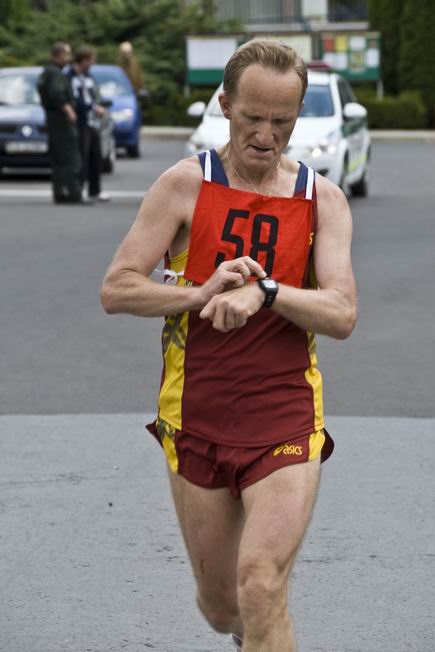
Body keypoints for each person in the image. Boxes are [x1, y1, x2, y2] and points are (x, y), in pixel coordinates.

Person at [101, 38, 357, 652]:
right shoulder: (184, 186)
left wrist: (266, 292)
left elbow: (342, 313)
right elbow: (117, 288)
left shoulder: (321, 199)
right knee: (222, 606)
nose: (266, 136)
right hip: (197, 412)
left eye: (282, 121)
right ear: (225, 106)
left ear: (297, 115)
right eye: (253, 118)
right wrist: (200, 292)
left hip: (285, 412)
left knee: (262, 586)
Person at [38, 42, 82, 204]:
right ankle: (73, 194)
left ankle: (60, 194)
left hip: (52, 119)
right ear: (59, 55)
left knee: (58, 159)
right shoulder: (55, 73)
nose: (69, 58)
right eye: (67, 54)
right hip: (61, 120)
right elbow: (57, 94)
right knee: (70, 157)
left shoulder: (47, 71)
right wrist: (69, 110)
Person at [65, 45, 110, 202]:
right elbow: (75, 101)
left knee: (95, 156)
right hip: (81, 122)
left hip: (92, 122)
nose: (92, 63)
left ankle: (95, 190)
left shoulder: (88, 76)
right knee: (81, 157)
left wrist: (98, 106)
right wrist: (94, 108)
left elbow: (93, 96)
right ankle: (80, 189)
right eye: (91, 60)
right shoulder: (70, 76)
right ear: (83, 60)